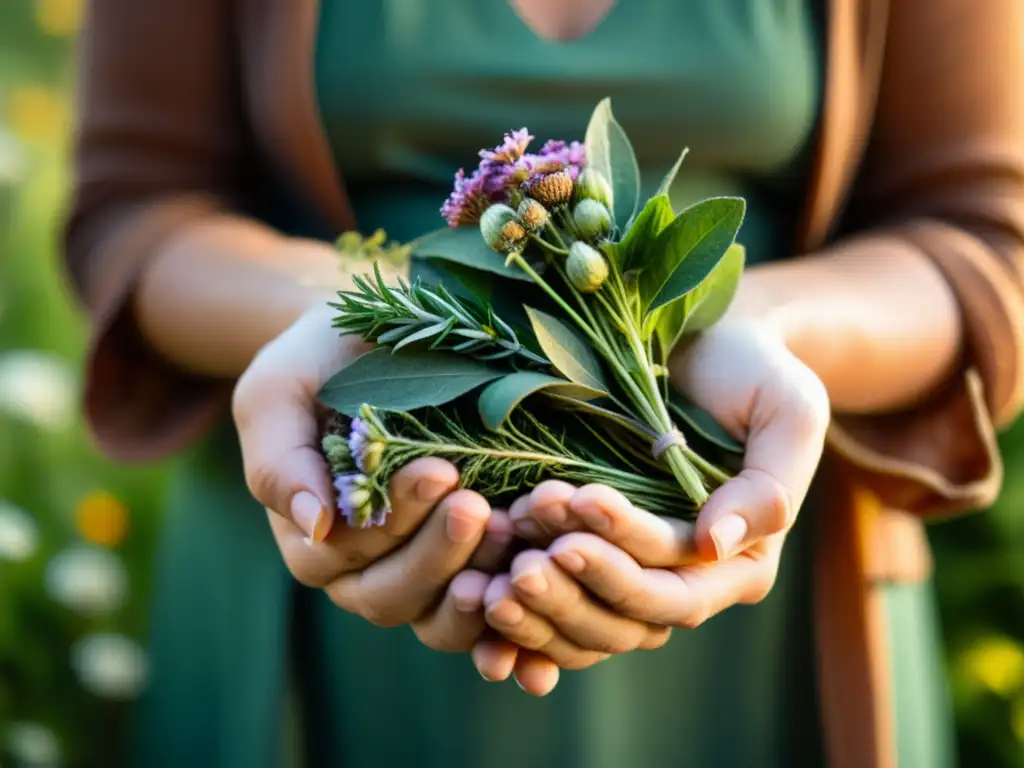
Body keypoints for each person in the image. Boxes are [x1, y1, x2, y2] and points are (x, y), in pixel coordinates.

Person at [62, 1, 1024, 766]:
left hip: (772, 616)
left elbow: (984, 241)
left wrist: (744, 326)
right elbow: (136, 209)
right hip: (330, 556)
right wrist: (374, 311)